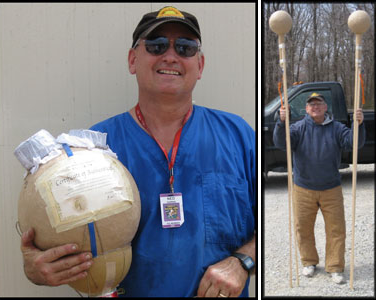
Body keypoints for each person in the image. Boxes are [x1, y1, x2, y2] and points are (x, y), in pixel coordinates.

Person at [20, 6, 256, 297]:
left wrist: (243, 260)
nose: (171, 56)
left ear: (201, 65)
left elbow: (269, 227)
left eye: (185, 47)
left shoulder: (238, 135)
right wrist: (35, 267)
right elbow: (56, 237)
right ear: (133, 60)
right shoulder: (92, 150)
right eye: (156, 45)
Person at [273, 92, 365, 284]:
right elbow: (282, 143)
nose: (315, 106)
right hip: (303, 188)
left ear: (325, 108)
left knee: (336, 229)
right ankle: (309, 262)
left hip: (331, 188)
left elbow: (354, 143)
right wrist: (281, 122)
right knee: (303, 228)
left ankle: (335, 267)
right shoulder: (298, 128)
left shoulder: (337, 128)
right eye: (311, 104)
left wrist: (359, 125)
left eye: (319, 103)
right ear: (306, 109)